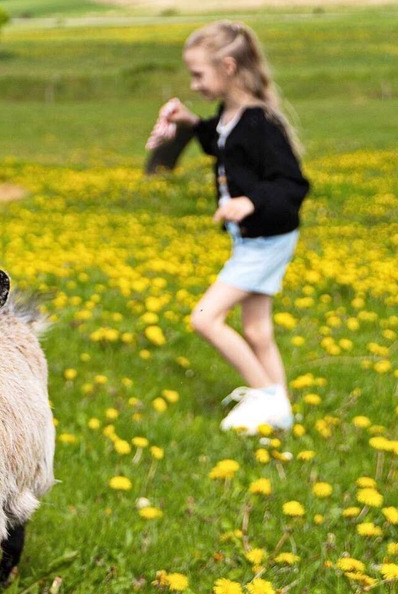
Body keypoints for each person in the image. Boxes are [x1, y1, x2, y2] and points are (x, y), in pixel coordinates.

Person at [146, 20, 310, 434]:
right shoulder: (230, 116)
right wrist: (189, 121)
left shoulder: (260, 124)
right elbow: (219, 144)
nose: (194, 82)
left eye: (199, 74)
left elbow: (293, 184)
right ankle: (283, 415)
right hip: (256, 240)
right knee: (256, 329)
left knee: (205, 318)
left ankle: (266, 399)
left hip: (265, 241)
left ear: (229, 67)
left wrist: (249, 201)